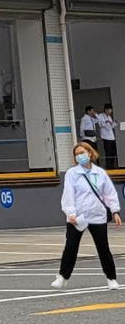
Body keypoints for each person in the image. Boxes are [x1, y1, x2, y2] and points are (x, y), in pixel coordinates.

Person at [52, 142, 121, 289]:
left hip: (97, 215)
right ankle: (63, 276)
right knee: (71, 247)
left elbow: (109, 193)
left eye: (82, 152)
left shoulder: (100, 173)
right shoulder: (72, 173)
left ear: (90, 153)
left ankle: (111, 278)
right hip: (78, 217)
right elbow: (68, 194)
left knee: (103, 247)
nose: (79, 156)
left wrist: (115, 211)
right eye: (76, 154)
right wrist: (70, 212)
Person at [96, 104, 118, 170]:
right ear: (105, 109)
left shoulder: (109, 117)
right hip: (105, 137)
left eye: (111, 110)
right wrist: (107, 122)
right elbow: (101, 124)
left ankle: (112, 165)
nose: (111, 111)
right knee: (108, 152)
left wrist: (114, 123)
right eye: (109, 110)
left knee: (113, 152)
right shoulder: (100, 116)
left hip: (112, 137)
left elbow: (111, 126)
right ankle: (108, 166)